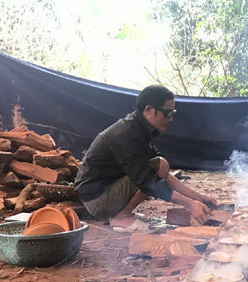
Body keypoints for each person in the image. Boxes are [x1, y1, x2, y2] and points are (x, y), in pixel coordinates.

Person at [74, 85, 215, 229]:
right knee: (159, 165)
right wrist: (190, 205)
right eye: (167, 113)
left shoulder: (139, 129)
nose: (171, 119)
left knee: (160, 164)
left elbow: (164, 175)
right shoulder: (126, 134)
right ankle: (122, 217)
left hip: (105, 192)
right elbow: (149, 181)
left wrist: (197, 198)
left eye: (173, 113)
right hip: (97, 200)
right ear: (148, 110)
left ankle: (123, 213)